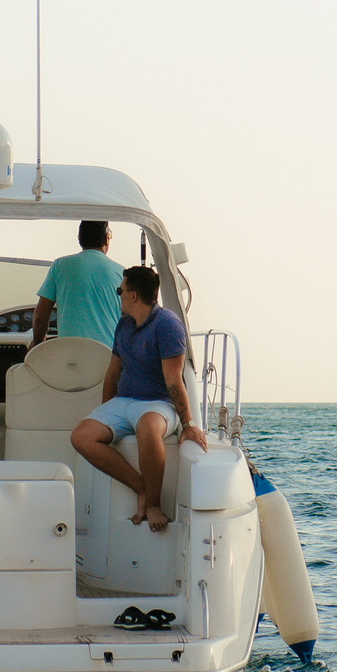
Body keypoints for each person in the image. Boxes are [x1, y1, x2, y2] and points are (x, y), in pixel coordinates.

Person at [69, 265, 207, 533]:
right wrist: (104, 411)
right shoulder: (124, 324)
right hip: (124, 401)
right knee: (81, 437)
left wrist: (188, 424)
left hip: (157, 403)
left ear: (132, 295)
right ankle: (139, 485)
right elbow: (113, 373)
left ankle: (153, 503)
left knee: (147, 428)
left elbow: (174, 381)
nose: (118, 295)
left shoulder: (167, 326)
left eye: (120, 290)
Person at [29, 220, 122, 346]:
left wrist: (36, 343)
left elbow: (40, 317)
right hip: (108, 357)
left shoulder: (60, 266)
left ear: (80, 239)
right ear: (106, 239)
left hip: (70, 358)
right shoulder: (122, 273)